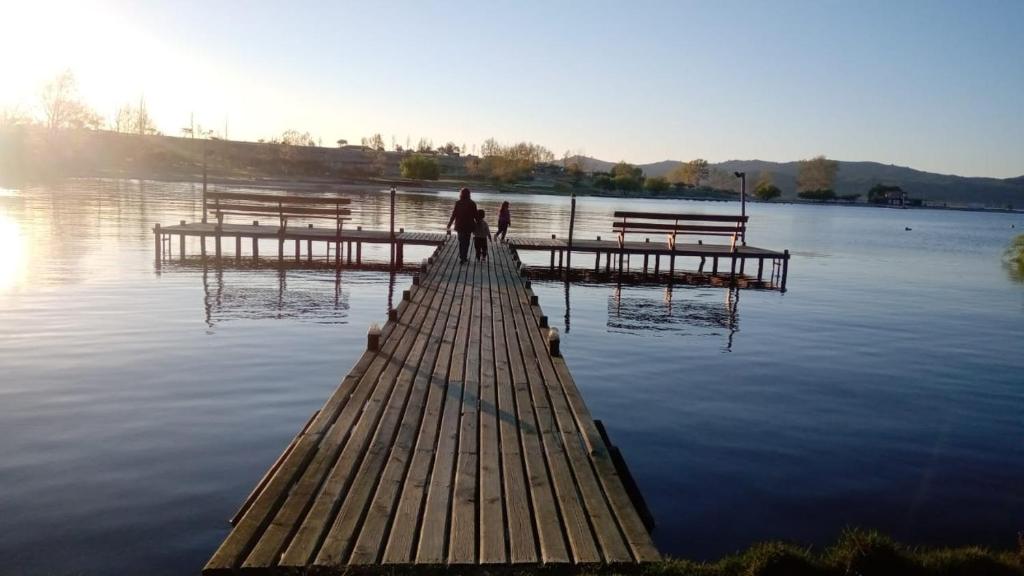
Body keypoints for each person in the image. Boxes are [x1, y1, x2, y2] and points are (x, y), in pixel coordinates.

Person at [446, 187, 478, 263]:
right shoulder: (472, 203)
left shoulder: (458, 203)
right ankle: (464, 257)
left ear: (461, 194)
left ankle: (461, 257)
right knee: (466, 242)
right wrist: (479, 223)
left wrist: (449, 224)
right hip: (469, 226)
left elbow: (454, 215)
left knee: (461, 241)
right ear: (469, 194)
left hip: (459, 225)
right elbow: (475, 215)